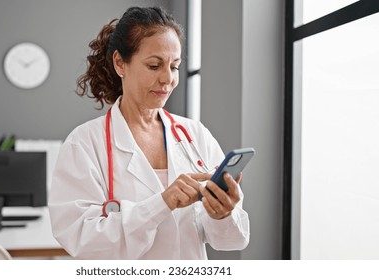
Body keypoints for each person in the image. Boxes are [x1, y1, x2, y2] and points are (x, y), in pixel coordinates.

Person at [48, 6, 249, 260]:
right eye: (154, 66)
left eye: (174, 67)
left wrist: (222, 213)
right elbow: (82, 240)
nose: (168, 79)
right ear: (120, 63)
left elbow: (231, 239)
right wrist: (162, 203)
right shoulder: (85, 144)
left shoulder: (195, 135)